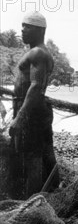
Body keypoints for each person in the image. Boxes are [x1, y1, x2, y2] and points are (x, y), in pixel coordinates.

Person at [6, 11, 59, 199]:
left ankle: (32, 204)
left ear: (38, 30)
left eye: (26, 26)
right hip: (31, 109)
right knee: (40, 156)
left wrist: (20, 118)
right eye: (22, 26)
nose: (22, 30)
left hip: (31, 112)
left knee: (32, 158)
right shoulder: (35, 52)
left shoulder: (38, 52)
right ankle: (45, 195)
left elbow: (36, 86)